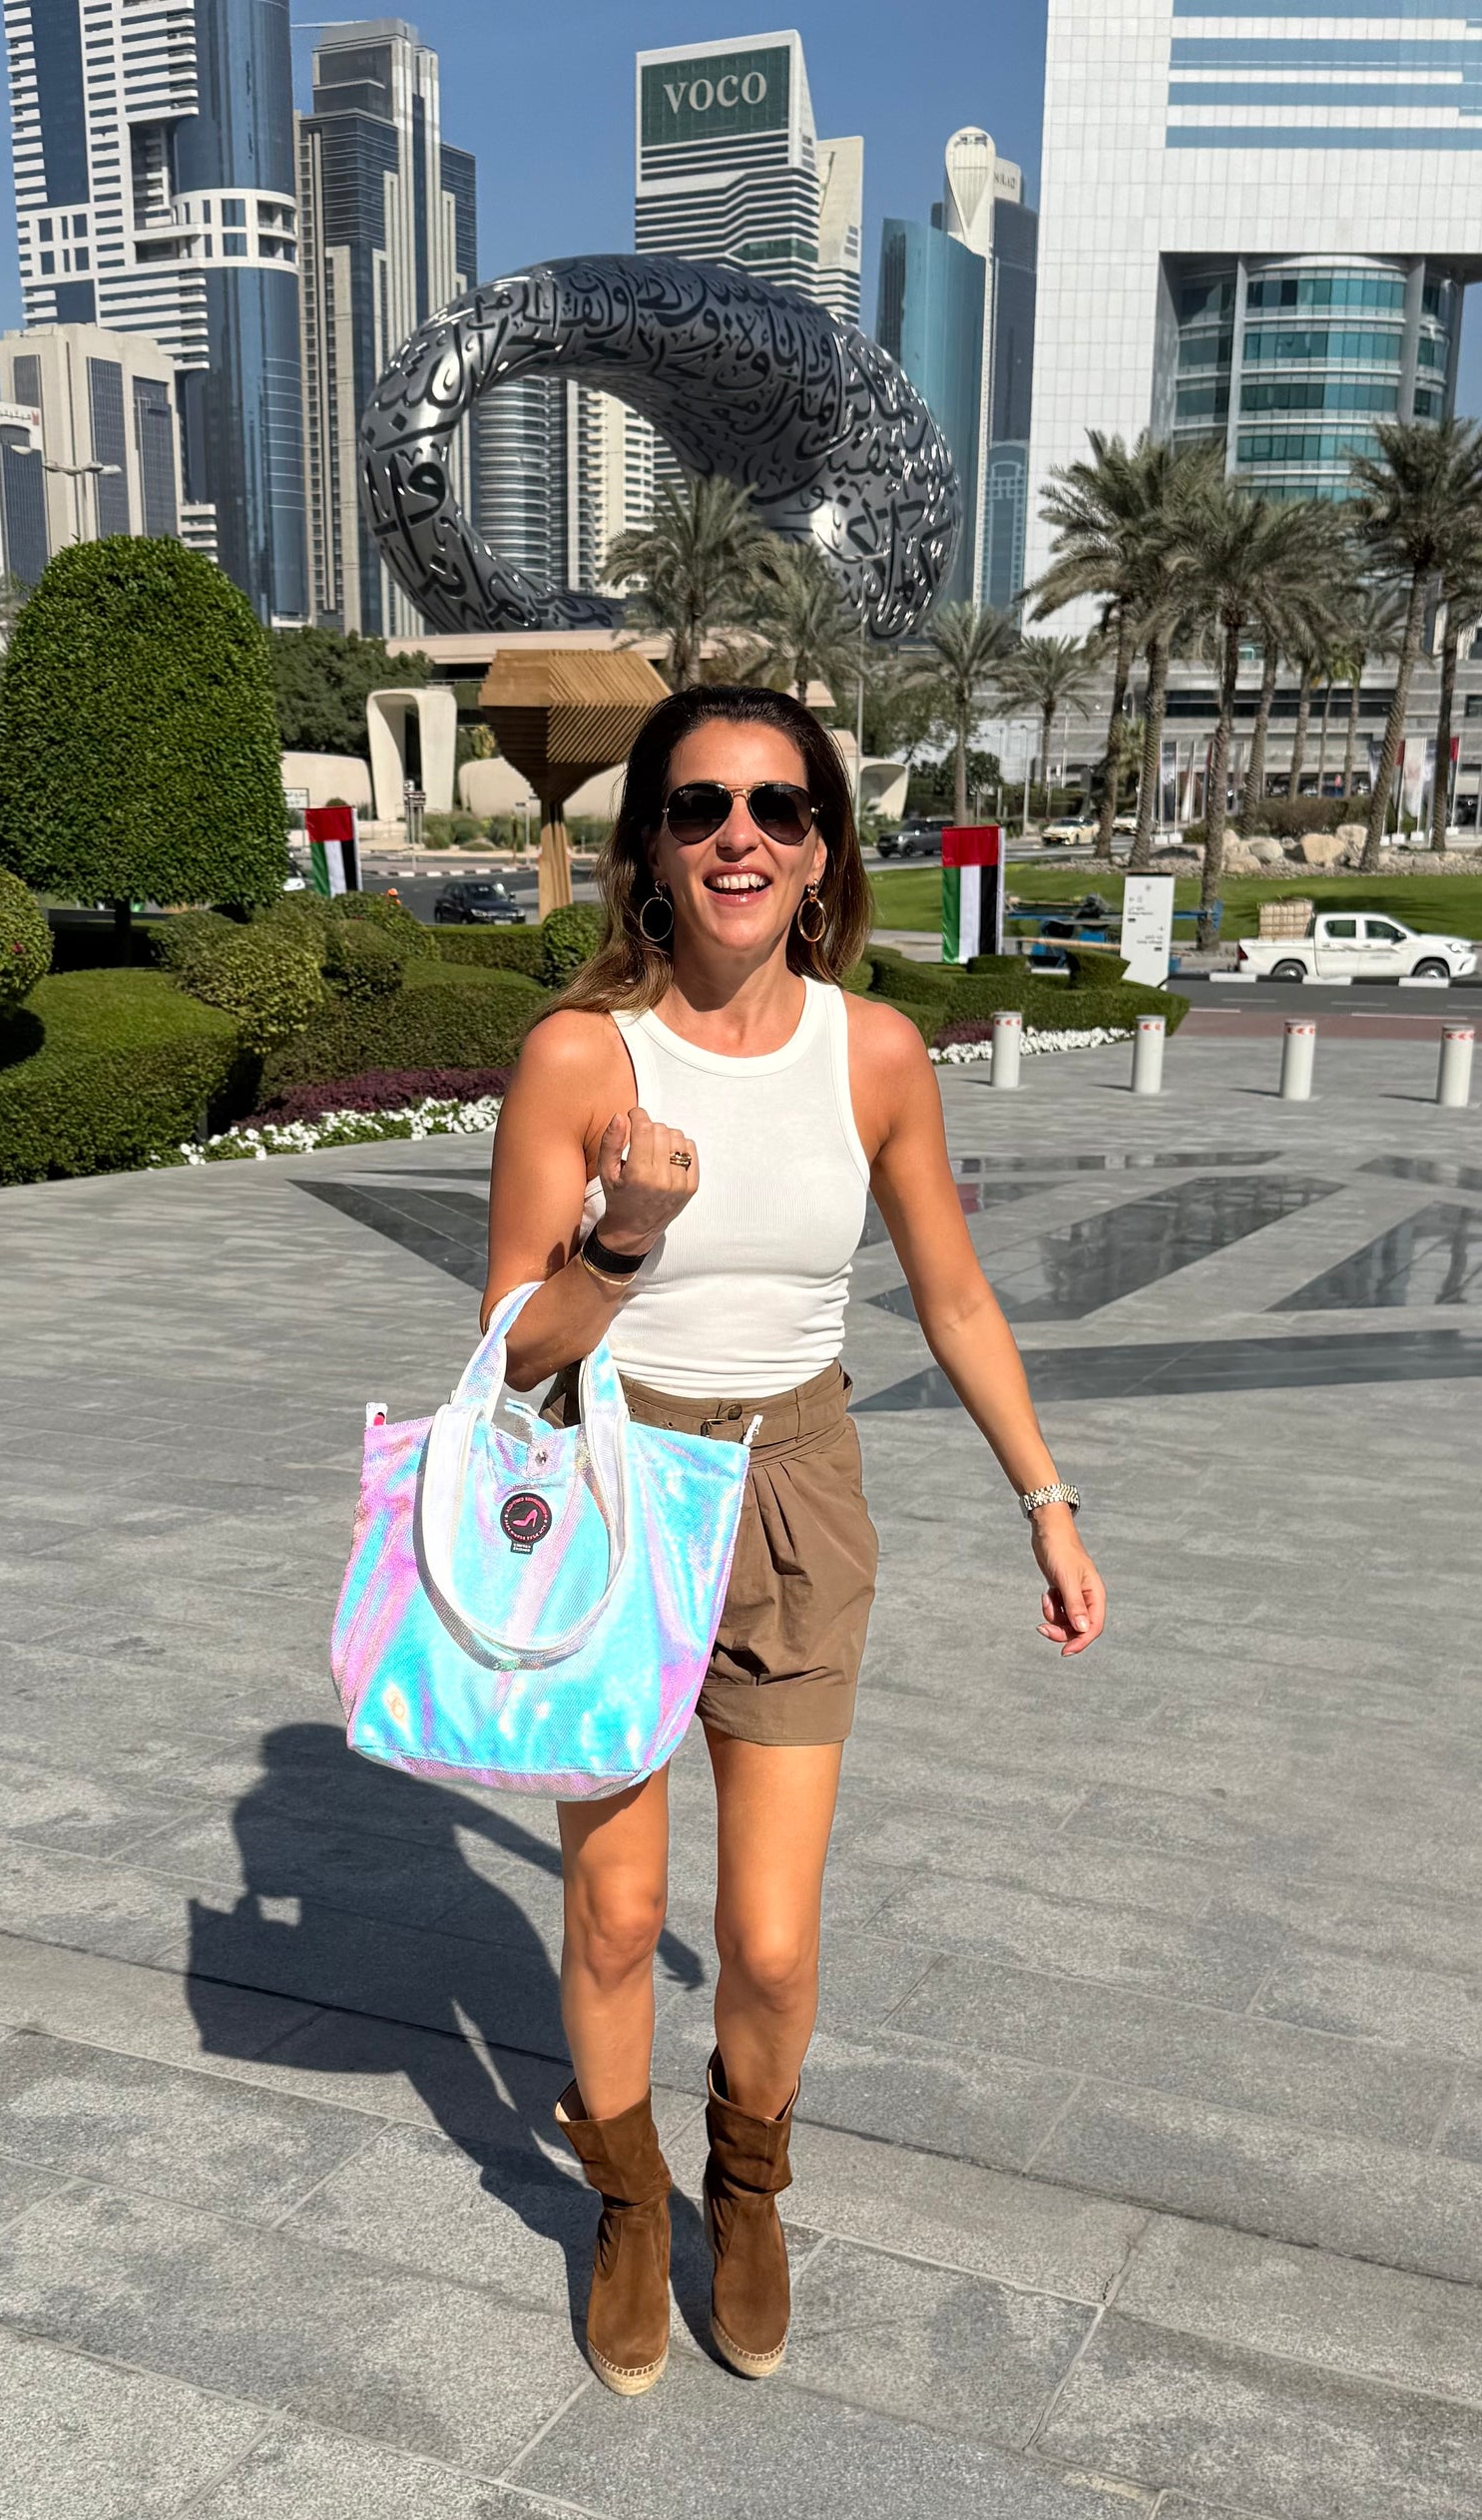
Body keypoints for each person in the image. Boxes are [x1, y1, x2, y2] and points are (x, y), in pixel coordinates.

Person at [483, 685, 1106, 2396]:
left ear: (824, 850)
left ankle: (746, 2189)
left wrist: (1046, 1502)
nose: (739, 836)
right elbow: (513, 1353)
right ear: (651, 848)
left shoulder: (875, 1053)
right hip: (614, 1484)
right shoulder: (579, 1056)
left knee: (765, 1938)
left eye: (777, 806)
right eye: (700, 807)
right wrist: (622, 1240)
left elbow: (954, 1296)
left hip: (796, 1488)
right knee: (617, 1916)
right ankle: (628, 2207)